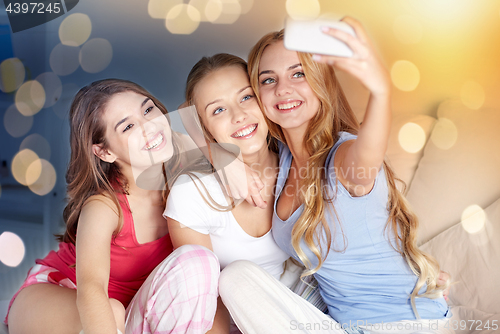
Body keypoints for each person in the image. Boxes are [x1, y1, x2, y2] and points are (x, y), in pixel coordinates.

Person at [218, 17, 453, 334]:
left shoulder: (344, 157)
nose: (283, 88)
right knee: (235, 277)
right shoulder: (280, 159)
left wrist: (381, 90)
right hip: (343, 327)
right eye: (268, 80)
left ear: (322, 83)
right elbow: (188, 121)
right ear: (257, 96)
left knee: (235, 277)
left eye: (298, 74)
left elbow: (368, 153)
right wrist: (220, 158)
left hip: (404, 325)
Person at [6, 79, 220, 334]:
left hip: (131, 309)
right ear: (105, 152)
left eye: (148, 110)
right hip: (61, 293)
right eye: (128, 126)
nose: (149, 127)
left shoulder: (181, 164)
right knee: (113, 312)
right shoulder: (104, 207)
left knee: (201, 261)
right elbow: (91, 290)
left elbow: (197, 113)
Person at [164, 54, 290, 333]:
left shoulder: (296, 166)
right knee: (233, 277)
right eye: (217, 110)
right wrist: (222, 157)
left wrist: (223, 156)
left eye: (246, 97)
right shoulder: (191, 193)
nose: (239, 115)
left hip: (292, 312)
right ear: (203, 126)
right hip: (227, 326)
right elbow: (204, 303)